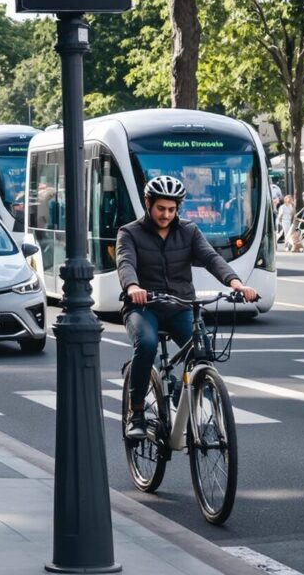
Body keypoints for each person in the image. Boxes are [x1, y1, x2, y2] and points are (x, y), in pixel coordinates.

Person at [117, 174, 260, 439]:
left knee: (202, 349)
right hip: (143, 306)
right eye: (161, 208)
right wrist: (132, 287)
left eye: (172, 209)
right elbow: (125, 262)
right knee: (147, 344)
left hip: (180, 304)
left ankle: (186, 393)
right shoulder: (130, 232)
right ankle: (135, 412)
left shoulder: (189, 231)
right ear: (148, 204)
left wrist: (236, 283)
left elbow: (210, 258)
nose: (166, 214)